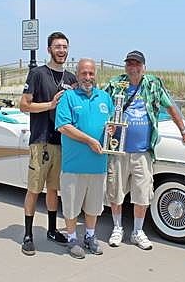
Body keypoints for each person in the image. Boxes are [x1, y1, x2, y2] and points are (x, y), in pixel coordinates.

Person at [104, 50, 185, 250]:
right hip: (118, 150)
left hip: (143, 151)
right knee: (116, 191)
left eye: (137, 64)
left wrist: (184, 131)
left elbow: (170, 107)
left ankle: (138, 231)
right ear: (125, 66)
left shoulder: (153, 84)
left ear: (144, 67)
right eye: (129, 63)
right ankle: (117, 228)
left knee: (142, 193)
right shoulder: (115, 84)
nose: (133, 67)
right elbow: (101, 105)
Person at [19, 32, 77, 256]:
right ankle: (28, 234)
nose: (61, 50)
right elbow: (24, 105)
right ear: (49, 49)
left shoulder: (71, 78)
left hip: (62, 142)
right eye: (57, 46)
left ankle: (52, 230)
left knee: (54, 189)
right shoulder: (37, 74)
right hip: (41, 141)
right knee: (34, 189)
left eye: (64, 46)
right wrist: (50, 104)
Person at [55, 58, 114, 259]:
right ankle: (72, 238)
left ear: (95, 74)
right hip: (74, 165)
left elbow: (111, 125)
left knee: (94, 207)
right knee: (71, 207)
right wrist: (89, 140)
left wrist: (112, 131)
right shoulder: (68, 97)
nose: (87, 77)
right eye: (83, 73)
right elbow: (63, 126)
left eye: (91, 73)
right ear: (77, 74)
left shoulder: (105, 97)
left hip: (98, 165)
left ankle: (90, 236)